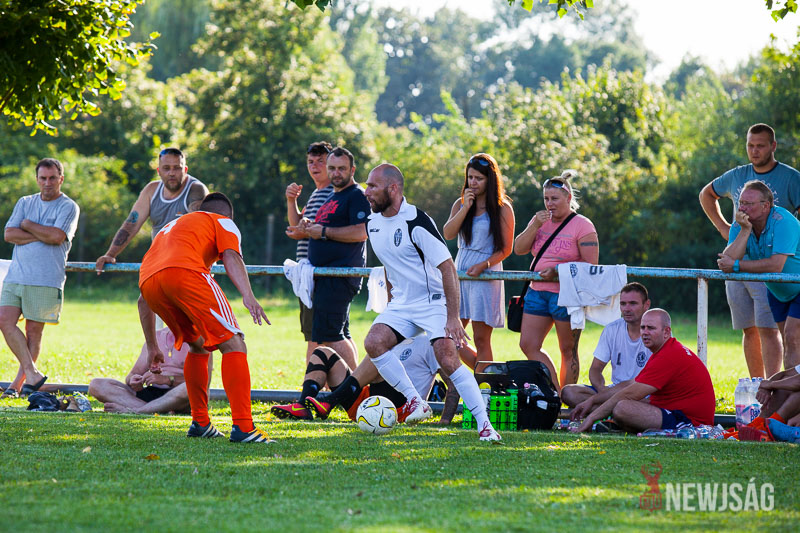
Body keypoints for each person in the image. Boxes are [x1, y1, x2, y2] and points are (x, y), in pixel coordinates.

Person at [309, 163, 500, 441]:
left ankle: (486, 427)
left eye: (373, 186)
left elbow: (447, 267)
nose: (366, 192)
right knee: (374, 341)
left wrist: (452, 316)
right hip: (403, 305)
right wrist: (391, 306)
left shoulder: (417, 221)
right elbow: (390, 266)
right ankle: (415, 401)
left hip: (433, 302)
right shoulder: (372, 223)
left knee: (448, 358)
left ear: (393, 188)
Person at [138, 192, 272, 443]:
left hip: (149, 284)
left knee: (198, 345)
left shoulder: (172, 228)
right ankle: (244, 427)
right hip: (185, 273)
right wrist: (248, 295)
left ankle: (200, 423)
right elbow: (231, 255)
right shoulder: (222, 220)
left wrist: (152, 346)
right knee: (234, 343)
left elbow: (142, 301)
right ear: (228, 216)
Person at [699, 123, 800, 379]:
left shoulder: (788, 189)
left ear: (773, 146)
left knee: (785, 334)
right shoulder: (738, 184)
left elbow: (774, 264)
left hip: (783, 272)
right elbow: (706, 194)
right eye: (750, 145)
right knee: (758, 330)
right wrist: (729, 229)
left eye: (760, 146)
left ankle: (781, 388)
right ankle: (765, 388)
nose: (754, 151)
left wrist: (736, 265)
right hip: (770, 280)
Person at [95, 148, 209, 361]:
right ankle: (155, 357)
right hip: (160, 264)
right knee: (145, 302)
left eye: (176, 168)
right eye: (167, 168)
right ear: (159, 170)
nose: (172, 173)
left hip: (188, 265)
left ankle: (190, 368)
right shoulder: (151, 190)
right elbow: (131, 223)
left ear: (185, 169)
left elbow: (200, 226)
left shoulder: (196, 190)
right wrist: (110, 253)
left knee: (194, 327)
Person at [512, 170, 599, 390]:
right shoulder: (539, 221)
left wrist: (558, 271)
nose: (549, 204)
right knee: (528, 345)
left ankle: (569, 400)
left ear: (568, 198)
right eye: (546, 199)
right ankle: (556, 394)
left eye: (555, 199)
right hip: (537, 292)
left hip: (567, 294)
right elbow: (519, 249)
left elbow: (591, 265)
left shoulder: (583, 225)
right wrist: (534, 225)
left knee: (568, 350)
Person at [0, 158, 79, 398]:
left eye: (52, 178)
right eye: (43, 178)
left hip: (45, 278)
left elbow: (57, 237)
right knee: (4, 321)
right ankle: (32, 373)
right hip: (16, 275)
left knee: (34, 332)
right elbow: (9, 234)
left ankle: (17, 385)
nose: (47, 183)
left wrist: (28, 225)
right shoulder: (25, 202)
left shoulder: (68, 206)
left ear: (61, 179)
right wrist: (42, 234)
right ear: (37, 179)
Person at [288, 147, 369, 371]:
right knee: (339, 333)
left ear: (352, 170)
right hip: (325, 276)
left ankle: (357, 387)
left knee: (329, 336)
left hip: (339, 274)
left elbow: (362, 231)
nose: (336, 173)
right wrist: (310, 227)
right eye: (332, 168)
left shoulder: (356, 195)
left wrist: (323, 232)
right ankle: (350, 385)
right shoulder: (333, 195)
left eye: (341, 168)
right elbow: (324, 228)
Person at [575, 309, 716, 433]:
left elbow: (629, 394)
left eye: (651, 328)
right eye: (642, 328)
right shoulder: (664, 350)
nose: (645, 332)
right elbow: (630, 384)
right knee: (572, 392)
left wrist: (592, 417)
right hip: (671, 411)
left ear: (666, 332)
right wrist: (592, 400)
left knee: (622, 408)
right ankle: (615, 422)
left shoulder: (669, 355)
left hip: (691, 422)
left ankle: (613, 421)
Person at [718, 180, 800, 370]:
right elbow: (726, 260)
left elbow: (776, 265)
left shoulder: (783, 221)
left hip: (796, 285)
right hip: (778, 291)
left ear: (766, 206)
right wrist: (745, 230)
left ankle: (791, 386)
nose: (742, 208)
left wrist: (737, 266)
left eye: (748, 203)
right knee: (789, 342)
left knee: (792, 336)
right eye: (741, 203)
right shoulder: (741, 224)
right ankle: (788, 386)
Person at [442, 153, 515, 368]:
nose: (473, 183)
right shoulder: (460, 204)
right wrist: (466, 207)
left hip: (485, 275)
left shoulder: (503, 208)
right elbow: (448, 233)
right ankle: (489, 373)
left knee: (481, 339)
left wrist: (484, 265)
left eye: (479, 178)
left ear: (490, 180)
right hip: (460, 273)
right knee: (448, 335)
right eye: (470, 177)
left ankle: (484, 383)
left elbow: (506, 249)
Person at [270, 335, 439, 422]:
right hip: (366, 401)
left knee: (376, 357)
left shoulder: (431, 342)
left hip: (399, 408)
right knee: (322, 352)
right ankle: (302, 406)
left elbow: (451, 378)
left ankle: (330, 401)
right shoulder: (394, 333)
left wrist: (446, 419)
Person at [561, 282, 652, 412]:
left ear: (646, 305)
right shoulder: (612, 329)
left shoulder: (657, 332)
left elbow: (648, 380)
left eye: (633, 303)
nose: (626, 309)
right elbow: (595, 369)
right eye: (623, 304)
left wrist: (608, 397)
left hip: (643, 393)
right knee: (569, 392)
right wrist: (602, 390)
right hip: (614, 391)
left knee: (652, 403)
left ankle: (609, 410)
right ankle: (614, 411)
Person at [284, 142, 334, 364]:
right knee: (315, 335)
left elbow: (323, 229)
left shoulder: (333, 193)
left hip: (319, 272)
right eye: (311, 162)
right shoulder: (316, 193)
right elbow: (297, 225)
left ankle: (311, 382)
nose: (315, 166)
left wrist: (302, 232)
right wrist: (291, 200)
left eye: (320, 161)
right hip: (308, 273)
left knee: (318, 337)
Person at [88, 327, 202, 414]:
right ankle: (155, 411)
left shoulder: (198, 338)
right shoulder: (156, 337)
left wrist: (167, 380)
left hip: (179, 396)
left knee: (189, 388)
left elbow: (200, 381)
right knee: (96, 385)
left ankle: (135, 410)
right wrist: (134, 380)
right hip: (150, 393)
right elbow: (131, 375)